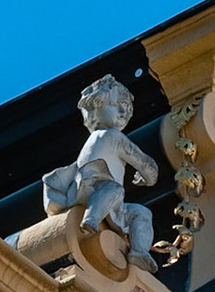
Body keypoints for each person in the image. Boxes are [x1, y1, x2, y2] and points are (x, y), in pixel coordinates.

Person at [40, 75, 159, 271]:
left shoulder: (100, 136)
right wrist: (149, 176)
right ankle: (91, 219)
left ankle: (139, 252)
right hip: (91, 187)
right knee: (115, 189)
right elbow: (144, 162)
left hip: (105, 198)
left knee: (141, 212)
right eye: (117, 105)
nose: (123, 111)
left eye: (128, 108)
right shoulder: (112, 136)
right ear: (97, 107)